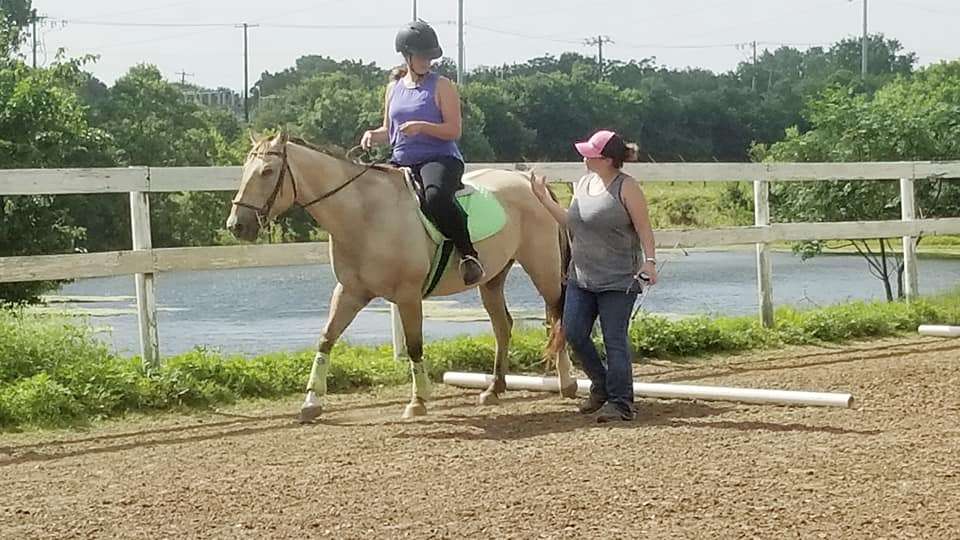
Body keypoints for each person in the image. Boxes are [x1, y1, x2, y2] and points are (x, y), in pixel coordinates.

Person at [530, 129, 658, 422]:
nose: (584, 158)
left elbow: (644, 228)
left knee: (615, 340)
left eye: (590, 154)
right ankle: (601, 385)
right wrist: (542, 199)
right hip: (581, 277)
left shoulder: (627, 188)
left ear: (607, 159)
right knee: (574, 333)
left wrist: (649, 262)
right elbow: (570, 221)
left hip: (618, 279)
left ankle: (622, 402)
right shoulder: (584, 183)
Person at [360, 20, 485, 286]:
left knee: (435, 197)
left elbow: (453, 130)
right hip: (401, 161)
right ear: (407, 56)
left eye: (430, 56)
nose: (427, 61)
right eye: (422, 56)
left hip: (439, 158)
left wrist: (422, 127)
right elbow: (389, 129)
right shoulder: (393, 88)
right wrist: (373, 134)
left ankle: (468, 255)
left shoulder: (442, 86)